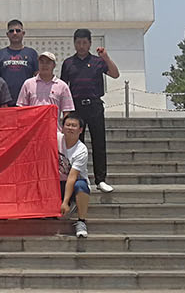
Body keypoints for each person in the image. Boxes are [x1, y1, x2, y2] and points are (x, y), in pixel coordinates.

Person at [60, 28, 120, 193]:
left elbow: (115, 74)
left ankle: (101, 180)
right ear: (74, 43)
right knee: (75, 143)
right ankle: (77, 177)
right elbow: (64, 88)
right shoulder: (68, 63)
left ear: (90, 43)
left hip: (94, 105)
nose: (81, 46)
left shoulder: (98, 61)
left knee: (99, 143)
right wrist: (65, 113)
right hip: (76, 107)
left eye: (84, 42)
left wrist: (106, 57)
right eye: (78, 42)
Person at [58, 111, 91, 238]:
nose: (70, 128)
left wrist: (65, 202)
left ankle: (81, 221)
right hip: (56, 183)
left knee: (81, 185)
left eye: (74, 126)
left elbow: (72, 177)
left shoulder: (81, 150)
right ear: (62, 127)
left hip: (74, 184)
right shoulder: (55, 139)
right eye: (68, 125)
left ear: (80, 130)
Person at [16, 50, 74, 120]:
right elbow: (21, 108)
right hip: (34, 126)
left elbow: (67, 110)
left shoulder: (62, 86)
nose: (44, 65)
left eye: (48, 62)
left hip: (53, 126)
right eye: (42, 62)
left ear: (54, 65)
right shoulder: (28, 84)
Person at [0, 19, 39, 106]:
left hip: (27, 101)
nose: (15, 33)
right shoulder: (0, 53)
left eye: (18, 31)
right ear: (7, 34)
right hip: (5, 102)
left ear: (23, 33)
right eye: (11, 31)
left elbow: (38, 76)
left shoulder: (31, 53)